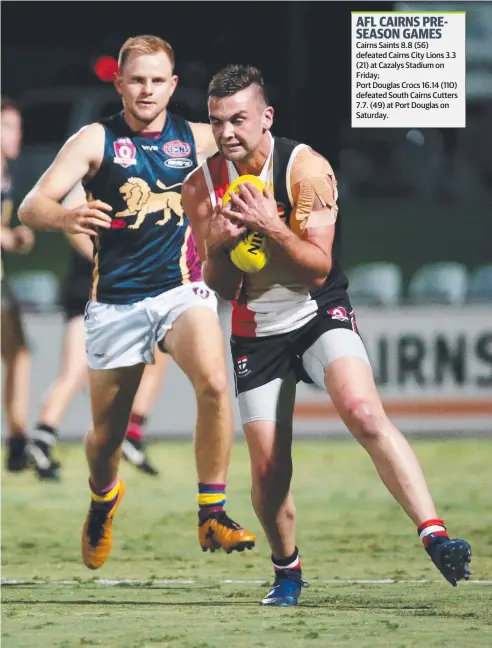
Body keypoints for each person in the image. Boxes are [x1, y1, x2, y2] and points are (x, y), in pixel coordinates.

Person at [181, 64, 472, 606]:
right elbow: (222, 287)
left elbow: (317, 267)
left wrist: (270, 225)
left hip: (317, 312)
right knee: (269, 471)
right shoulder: (201, 187)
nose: (226, 133)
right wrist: (217, 247)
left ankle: (435, 533)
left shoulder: (305, 168)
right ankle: (287, 570)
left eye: (238, 119)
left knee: (364, 413)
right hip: (256, 332)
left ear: (266, 117)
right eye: (216, 121)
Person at [18, 36, 255, 569]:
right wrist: (64, 218)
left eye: (157, 80)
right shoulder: (94, 139)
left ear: (173, 86)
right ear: (119, 84)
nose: (147, 89)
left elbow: (262, 147)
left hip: (180, 290)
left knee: (216, 382)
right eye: (137, 79)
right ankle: (103, 500)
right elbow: (33, 205)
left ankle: (212, 512)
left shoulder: (198, 138)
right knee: (105, 440)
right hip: (117, 303)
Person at [27, 226, 165, 480]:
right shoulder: (89, 186)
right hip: (93, 286)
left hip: (117, 285)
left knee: (155, 353)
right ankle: (41, 440)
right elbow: (70, 222)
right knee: (77, 370)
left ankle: (131, 436)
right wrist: (109, 261)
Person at [1, 96, 35, 472]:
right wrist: (7, 237)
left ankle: (17, 440)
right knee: (18, 352)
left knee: (19, 352)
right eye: (8, 125)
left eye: (17, 125)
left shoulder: (6, 171)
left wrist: (13, 236)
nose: (17, 134)